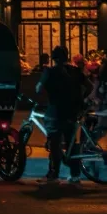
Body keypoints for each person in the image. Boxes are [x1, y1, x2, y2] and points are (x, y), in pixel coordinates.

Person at [36, 44, 85, 184]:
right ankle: (75, 174)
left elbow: (38, 89)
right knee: (71, 143)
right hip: (72, 112)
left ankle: (53, 174)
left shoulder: (49, 71)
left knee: (54, 144)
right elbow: (89, 86)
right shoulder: (75, 71)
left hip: (55, 112)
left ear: (53, 57)